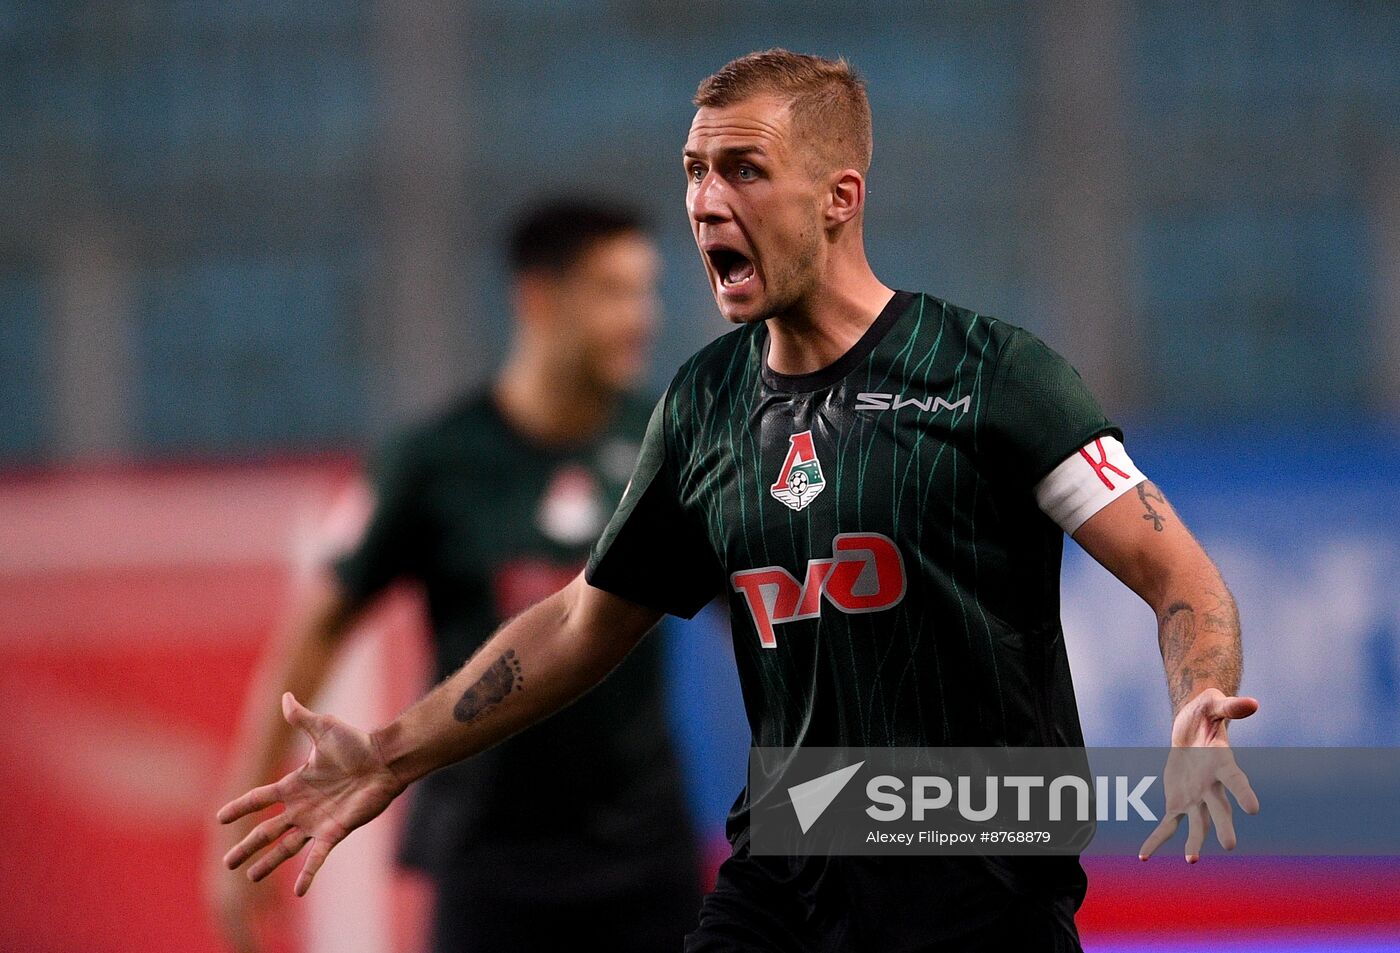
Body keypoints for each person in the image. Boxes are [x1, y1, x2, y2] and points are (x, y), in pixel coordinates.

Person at [217, 51, 1260, 952]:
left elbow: (1178, 575)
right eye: (694, 171)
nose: (706, 201)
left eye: (742, 170)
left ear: (838, 199)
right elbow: (584, 621)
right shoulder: (705, 405)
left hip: (979, 891)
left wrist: (1197, 699)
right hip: (781, 882)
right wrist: (395, 751)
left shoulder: (988, 374)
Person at [208, 201, 700, 953]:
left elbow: (774, 612)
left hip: (644, 861)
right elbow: (319, 626)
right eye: (613, 291)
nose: (642, 316)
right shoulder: (432, 461)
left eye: (646, 291)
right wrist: (247, 811)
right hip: (489, 865)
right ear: (538, 297)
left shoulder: (666, 445)